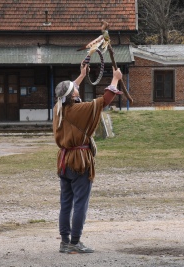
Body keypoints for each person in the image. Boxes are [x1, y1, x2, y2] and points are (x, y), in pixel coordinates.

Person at [53, 62, 123, 254]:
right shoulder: (79, 109)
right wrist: (115, 79)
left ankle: (65, 242)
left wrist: (82, 75)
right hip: (79, 160)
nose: (77, 90)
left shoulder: (58, 109)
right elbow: (105, 99)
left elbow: (69, 90)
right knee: (80, 203)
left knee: (66, 204)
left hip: (64, 161)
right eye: (75, 90)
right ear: (73, 95)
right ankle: (75, 242)